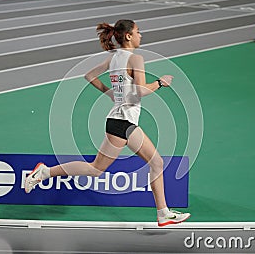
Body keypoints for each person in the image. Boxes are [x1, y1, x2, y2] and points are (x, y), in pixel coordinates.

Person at [25, 19, 190, 227]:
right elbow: (140, 91)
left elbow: (89, 75)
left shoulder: (114, 58)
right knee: (145, 163)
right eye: (138, 32)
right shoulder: (135, 58)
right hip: (123, 122)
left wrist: (110, 93)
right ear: (128, 36)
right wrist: (160, 83)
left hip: (119, 121)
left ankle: (45, 172)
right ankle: (163, 213)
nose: (141, 35)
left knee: (103, 168)